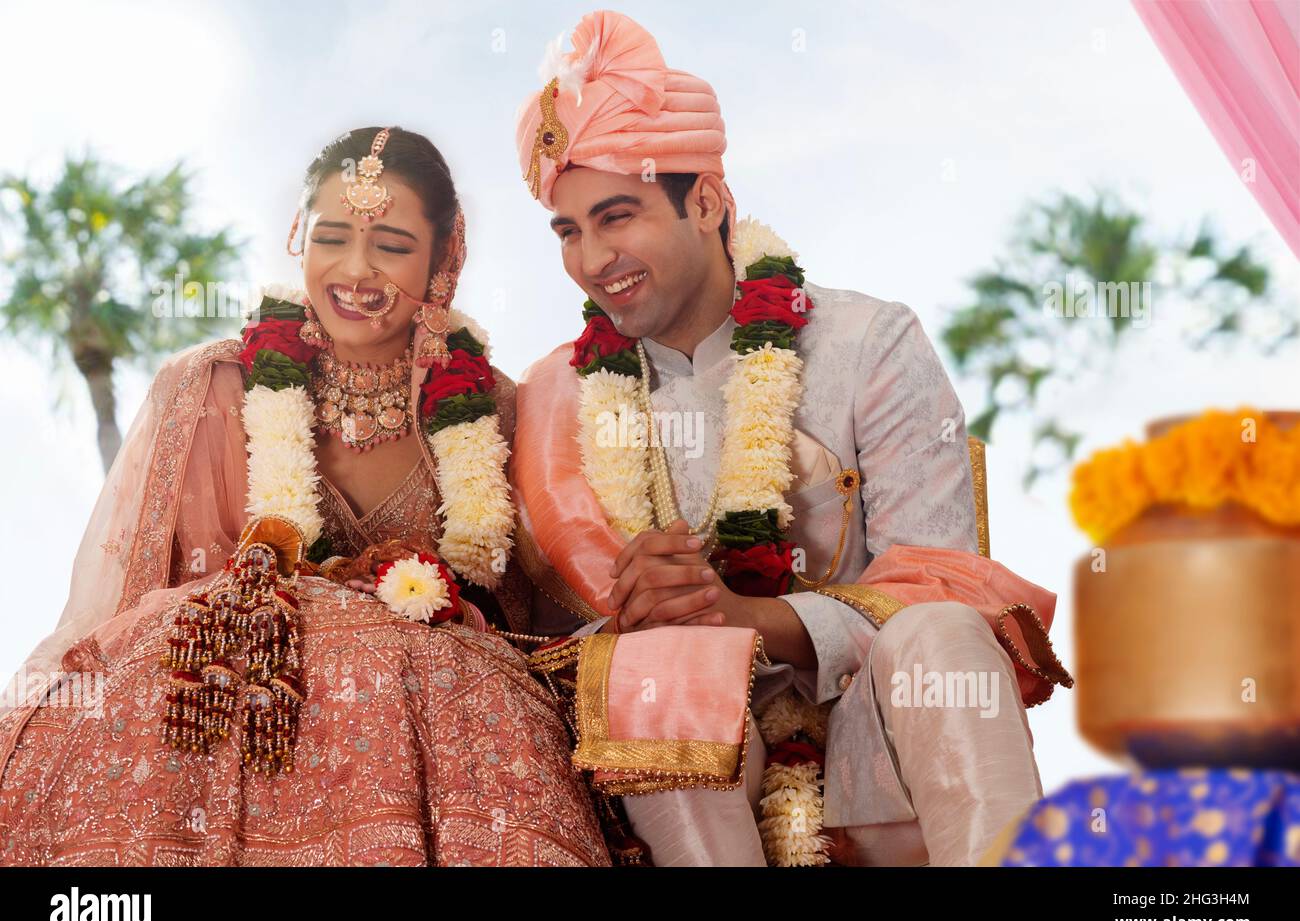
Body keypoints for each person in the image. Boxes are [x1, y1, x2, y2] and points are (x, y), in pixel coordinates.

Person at [511, 11, 1073, 866]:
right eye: (568, 230)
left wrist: (746, 618)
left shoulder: (866, 343)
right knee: (652, 674)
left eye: (615, 216)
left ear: (705, 200)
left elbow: (940, 581)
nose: (591, 260)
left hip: (873, 751)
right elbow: (543, 630)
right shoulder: (564, 395)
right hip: (690, 771)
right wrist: (638, 612)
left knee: (945, 639)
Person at [0, 126, 609, 867]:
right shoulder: (211, 390)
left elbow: (538, 617)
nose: (355, 270)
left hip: (435, 747)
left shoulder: (494, 410)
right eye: (331, 238)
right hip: (225, 720)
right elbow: (137, 593)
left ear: (444, 258)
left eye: (390, 243)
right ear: (299, 238)